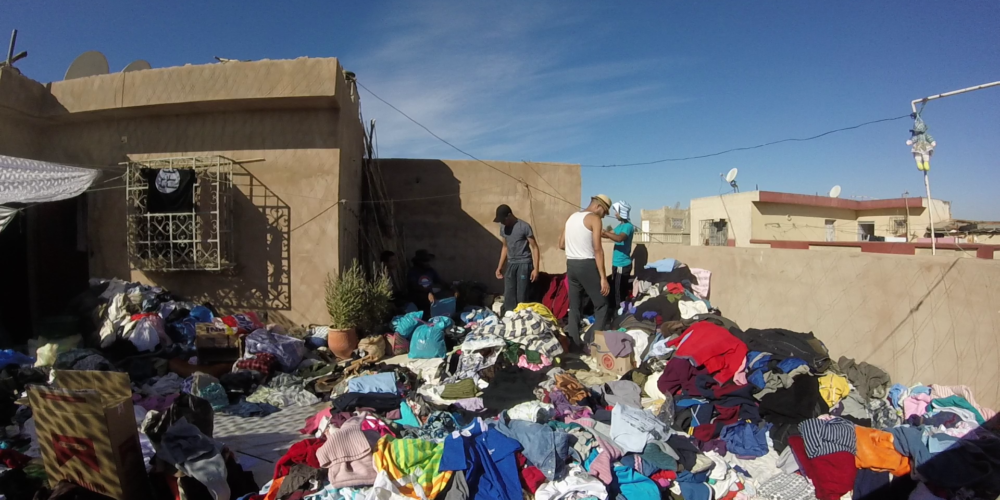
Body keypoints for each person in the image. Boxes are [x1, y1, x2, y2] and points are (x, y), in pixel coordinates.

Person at [559, 194, 611, 351]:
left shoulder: (571, 217)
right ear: (598, 206)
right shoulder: (594, 219)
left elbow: (561, 244)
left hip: (571, 264)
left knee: (575, 306)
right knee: (602, 305)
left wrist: (576, 246)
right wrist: (603, 278)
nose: (603, 216)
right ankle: (590, 341)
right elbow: (598, 249)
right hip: (586, 264)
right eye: (604, 212)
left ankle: (573, 344)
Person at [494, 204, 540, 313]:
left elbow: (535, 247)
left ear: (509, 215)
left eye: (503, 220)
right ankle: (510, 316)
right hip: (511, 264)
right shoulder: (503, 228)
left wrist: (536, 269)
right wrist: (499, 267)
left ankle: (522, 316)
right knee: (509, 294)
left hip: (524, 264)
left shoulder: (524, 227)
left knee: (522, 295)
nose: (502, 223)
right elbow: (505, 247)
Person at [602, 200, 635, 313]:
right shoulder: (620, 226)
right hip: (616, 264)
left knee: (618, 291)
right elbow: (610, 234)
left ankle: (618, 312)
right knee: (616, 288)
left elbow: (620, 238)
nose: (615, 214)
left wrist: (606, 233)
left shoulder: (628, 226)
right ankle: (620, 309)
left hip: (622, 265)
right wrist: (598, 230)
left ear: (622, 212)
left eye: (617, 211)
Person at [406, 249, 443, 315]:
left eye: (428, 260)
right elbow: (414, 286)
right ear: (418, 262)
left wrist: (451, 288)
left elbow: (439, 281)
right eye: (425, 261)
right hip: (418, 298)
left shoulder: (430, 270)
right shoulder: (413, 272)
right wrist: (428, 293)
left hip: (431, 295)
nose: (427, 263)